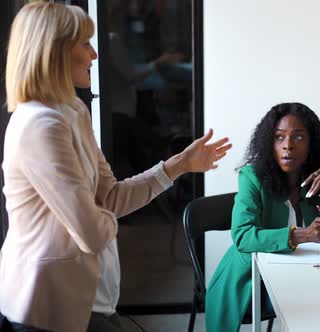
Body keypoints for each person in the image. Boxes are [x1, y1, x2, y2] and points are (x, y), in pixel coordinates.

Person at [0, 3, 231, 332]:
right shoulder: (40, 125)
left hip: (91, 298)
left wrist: (180, 165)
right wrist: (99, 216)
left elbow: (108, 197)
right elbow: (92, 232)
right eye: (84, 44)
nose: (94, 54)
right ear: (54, 52)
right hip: (47, 304)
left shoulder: (74, 112)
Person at [205, 103, 320, 331]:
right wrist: (302, 235)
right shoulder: (252, 177)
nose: (288, 145)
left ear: (311, 143)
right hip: (251, 281)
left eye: (298, 138)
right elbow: (242, 236)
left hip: (301, 272)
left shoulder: (319, 177)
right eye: (279, 138)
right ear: (269, 143)